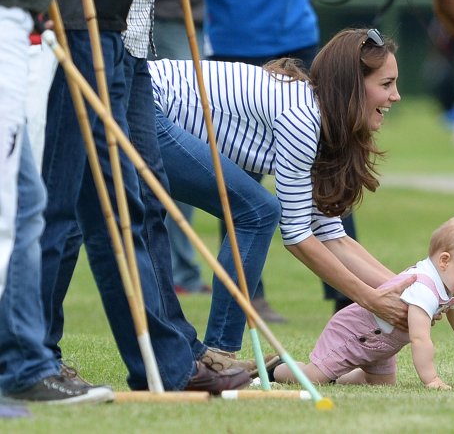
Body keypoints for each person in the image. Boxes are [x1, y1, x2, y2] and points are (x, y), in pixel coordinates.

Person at [40, 0, 253, 393]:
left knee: (145, 201)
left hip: (129, 37)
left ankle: (172, 352)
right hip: (85, 26)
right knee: (85, 207)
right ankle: (37, 355)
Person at [148, 28, 414, 356]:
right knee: (258, 212)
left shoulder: (319, 117)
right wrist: (370, 298)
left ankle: (209, 355)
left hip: (141, 100)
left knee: (254, 212)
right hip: (144, 102)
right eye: (386, 84)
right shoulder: (303, 119)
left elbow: (332, 234)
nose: (396, 96)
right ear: (352, 86)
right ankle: (220, 355)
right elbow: (297, 237)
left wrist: (411, 291)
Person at [201, 0, 356, 320]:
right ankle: (249, 295)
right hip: (236, 39)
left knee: (330, 167)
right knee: (237, 179)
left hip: (296, 36)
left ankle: (349, 297)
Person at [0, 0, 114, 405]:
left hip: (22, 21)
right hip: (7, 20)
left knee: (26, 205)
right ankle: (22, 367)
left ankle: (24, 365)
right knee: (14, 209)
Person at [273, 216, 454, 389]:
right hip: (354, 334)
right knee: (314, 378)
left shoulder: (449, 285)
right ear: (445, 260)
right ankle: (279, 369)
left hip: (383, 346)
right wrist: (431, 379)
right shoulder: (424, 288)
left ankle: (337, 375)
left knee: (380, 384)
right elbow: (420, 339)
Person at [150, 0, 211, 295]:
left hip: (189, 14)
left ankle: (178, 271)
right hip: (165, 13)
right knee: (178, 144)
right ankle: (178, 272)